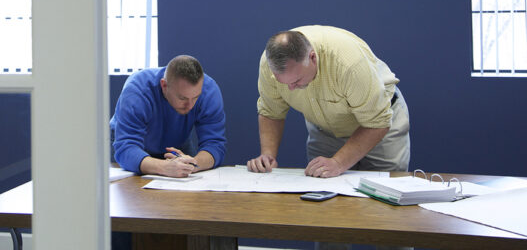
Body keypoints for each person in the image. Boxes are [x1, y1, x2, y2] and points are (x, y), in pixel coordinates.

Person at [246, 25, 411, 250]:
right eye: (285, 83)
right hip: (325, 127)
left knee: (388, 209)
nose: (292, 89)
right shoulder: (269, 64)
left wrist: (338, 162)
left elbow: (377, 122)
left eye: (297, 80)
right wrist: (268, 154)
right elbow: (271, 111)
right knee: (325, 210)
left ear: (312, 57)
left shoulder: (348, 62)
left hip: (379, 126)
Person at [111, 55, 227, 177]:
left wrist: (193, 164)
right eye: (182, 98)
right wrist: (163, 167)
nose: (190, 106)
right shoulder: (137, 90)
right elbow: (126, 147)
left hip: (176, 144)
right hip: (126, 144)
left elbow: (215, 144)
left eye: (196, 98)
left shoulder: (209, 91)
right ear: (164, 85)